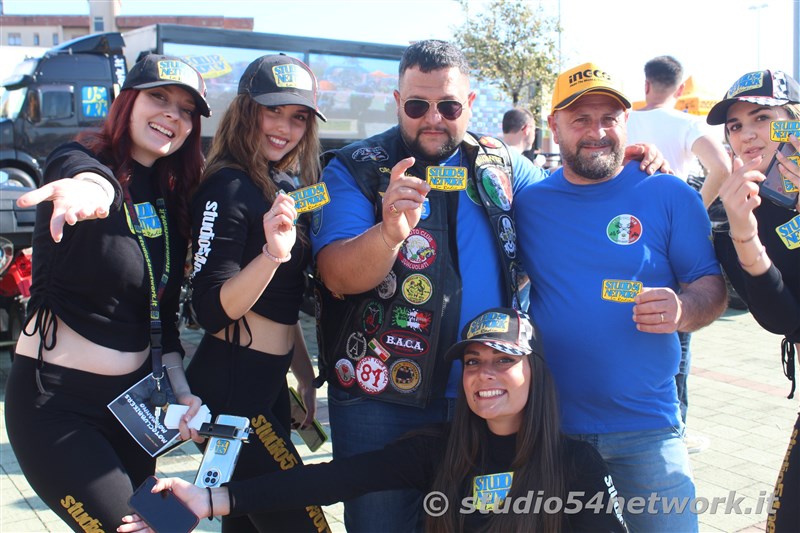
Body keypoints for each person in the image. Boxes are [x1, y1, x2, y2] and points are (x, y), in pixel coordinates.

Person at [311, 40, 667, 532]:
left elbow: (564, 195)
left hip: (482, 393)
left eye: (449, 106)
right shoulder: (354, 166)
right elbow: (336, 275)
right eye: (417, 106)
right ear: (397, 103)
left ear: (471, 105)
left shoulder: (497, 161)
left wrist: (609, 157)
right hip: (381, 397)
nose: (433, 118)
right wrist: (389, 232)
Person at [120, 308, 628, 533]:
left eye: (503, 361)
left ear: (535, 374)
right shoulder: (439, 449)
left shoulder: (575, 464)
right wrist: (207, 501)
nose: (484, 375)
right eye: (473, 362)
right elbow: (335, 479)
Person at [515, 61, 728, 532]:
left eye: (609, 118)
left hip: (648, 428)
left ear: (626, 121)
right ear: (553, 125)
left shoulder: (669, 192)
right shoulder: (529, 204)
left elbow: (710, 286)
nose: (597, 131)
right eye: (580, 119)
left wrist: (683, 309)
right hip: (554, 428)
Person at [4, 54, 210, 531]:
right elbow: (85, 176)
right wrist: (91, 190)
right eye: (159, 97)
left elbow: (164, 324)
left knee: (165, 525)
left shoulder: (171, 197)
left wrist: (183, 393)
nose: (171, 115)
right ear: (127, 101)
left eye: (185, 109)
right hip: (56, 406)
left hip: (134, 411)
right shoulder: (81, 160)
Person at [184, 54, 330, 533]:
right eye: (273, 111)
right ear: (247, 110)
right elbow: (209, 309)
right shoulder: (226, 185)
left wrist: (303, 373)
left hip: (269, 383)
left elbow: (283, 301)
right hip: (231, 385)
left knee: (245, 523)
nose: (285, 127)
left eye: (298, 117)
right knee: (302, 520)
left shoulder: (285, 182)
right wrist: (270, 253)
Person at [703, 69, 800, 533]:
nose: (747, 135)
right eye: (736, 125)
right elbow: (782, 318)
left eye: (762, 117)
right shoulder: (733, 213)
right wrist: (746, 235)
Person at [626, 55, 731, 454]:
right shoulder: (688, 124)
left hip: (624, 238)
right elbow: (721, 165)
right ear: (681, 87)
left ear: (646, 83)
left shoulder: (627, 121)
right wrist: (696, 208)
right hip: (672, 242)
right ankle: (675, 426)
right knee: (677, 328)